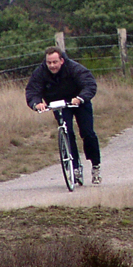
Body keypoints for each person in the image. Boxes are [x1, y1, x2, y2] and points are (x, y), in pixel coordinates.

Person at [25, 46, 102, 185]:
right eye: (49, 63)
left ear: (61, 60)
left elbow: (89, 84)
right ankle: (75, 167)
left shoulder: (74, 68)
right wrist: (37, 103)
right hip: (58, 104)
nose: (52, 66)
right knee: (67, 132)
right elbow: (32, 90)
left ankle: (95, 165)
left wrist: (80, 98)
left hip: (78, 102)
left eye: (55, 62)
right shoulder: (40, 72)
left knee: (87, 133)